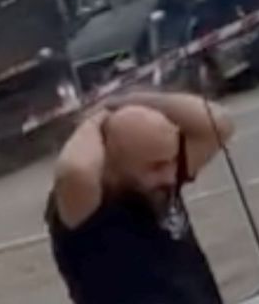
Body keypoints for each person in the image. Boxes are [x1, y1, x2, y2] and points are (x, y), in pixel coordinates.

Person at [45, 90, 234, 304]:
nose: (171, 176)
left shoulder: (159, 184)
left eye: (172, 160)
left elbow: (218, 124)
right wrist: (94, 121)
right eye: (156, 167)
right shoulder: (83, 207)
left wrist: (125, 101)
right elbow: (75, 170)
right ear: (110, 166)